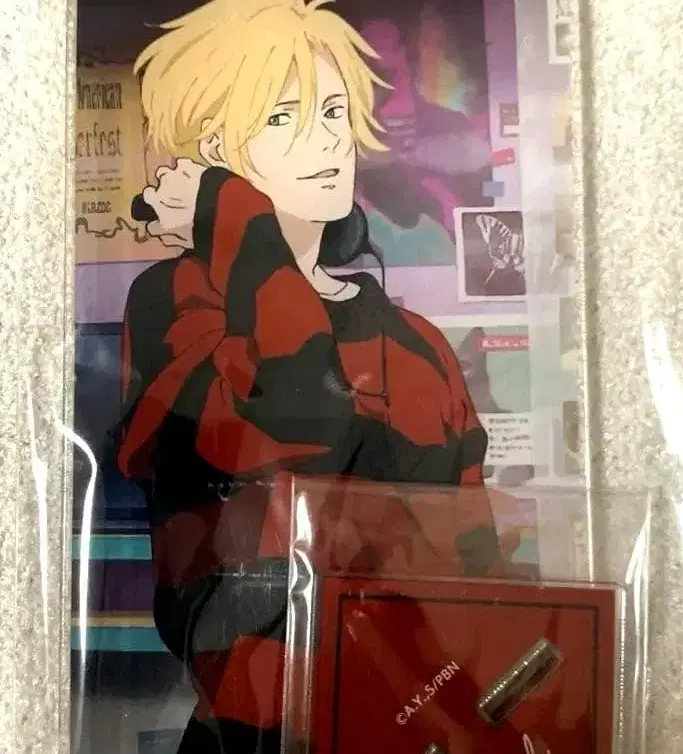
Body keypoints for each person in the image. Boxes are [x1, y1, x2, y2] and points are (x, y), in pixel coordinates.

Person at [117, 1, 506, 751]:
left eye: (332, 111)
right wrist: (231, 211)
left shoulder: (417, 345)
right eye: (282, 117)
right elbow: (297, 416)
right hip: (255, 734)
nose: (326, 138)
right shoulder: (173, 304)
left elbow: (476, 569)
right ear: (214, 154)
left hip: (414, 727)